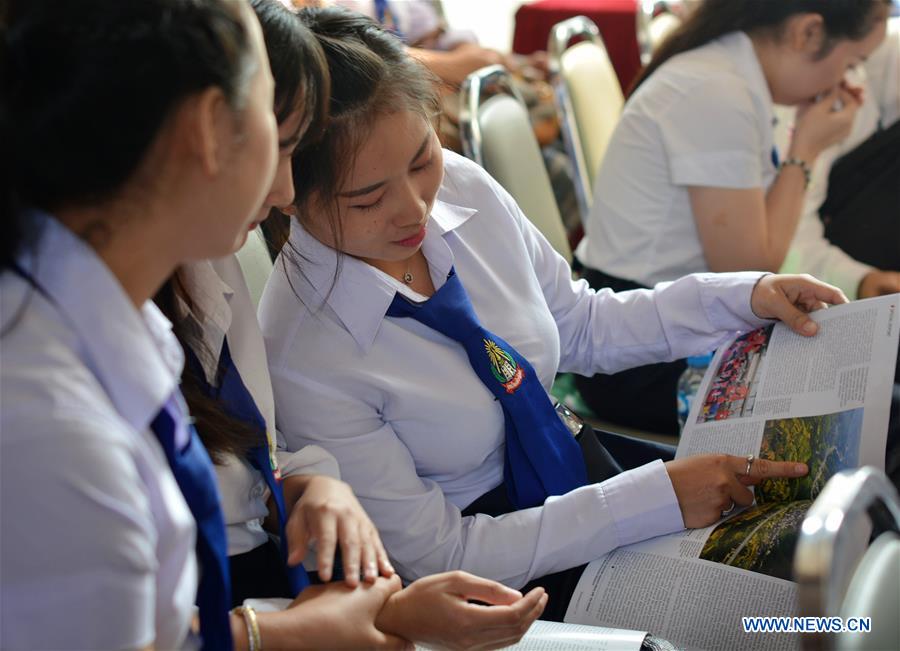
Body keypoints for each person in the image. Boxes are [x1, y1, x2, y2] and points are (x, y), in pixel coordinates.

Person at [259, 6, 841, 621]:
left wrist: (742, 296)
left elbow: (582, 323)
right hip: (501, 566)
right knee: (764, 620)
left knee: (816, 555)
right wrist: (653, 499)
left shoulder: (462, 187)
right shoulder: (305, 350)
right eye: (368, 199)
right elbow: (437, 554)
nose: (413, 211)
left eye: (421, 159)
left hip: (576, 465)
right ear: (289, 194)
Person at [0, 1, 543, 649]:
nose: (287, 190)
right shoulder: (46, 413)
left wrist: (315, 497)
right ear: (207, 129)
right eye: (282, 140)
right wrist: (281, 634)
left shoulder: (116, 313)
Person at [569, 0, 889, 435]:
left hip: (678, 318)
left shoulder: (730, 76)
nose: (848, 80)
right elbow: (753, 268)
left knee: (880, 375)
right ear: (808, 33)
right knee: (879, 403)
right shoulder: (715, 91)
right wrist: (807, 149)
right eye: (852, 62)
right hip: (639, 354)